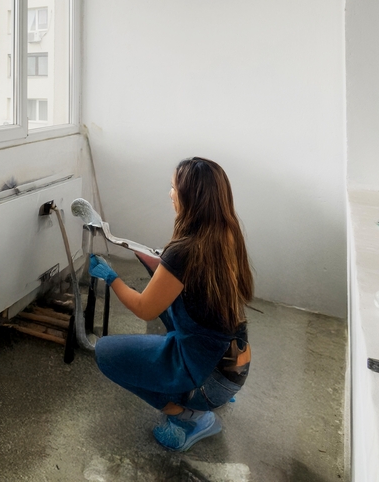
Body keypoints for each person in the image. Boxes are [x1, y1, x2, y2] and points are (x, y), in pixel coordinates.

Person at [87, 157, 254, 452]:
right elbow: (186, 285)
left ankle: (188, 417)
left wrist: (112, 278)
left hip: (208, 383)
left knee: (106, 353)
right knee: (172, 307)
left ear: (191, 197)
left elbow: (145, 309)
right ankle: (205, 397)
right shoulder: (226, 234)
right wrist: (157, 262)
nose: (170, 194)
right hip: (233, 367)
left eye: (174, 188)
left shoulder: (184, 251)